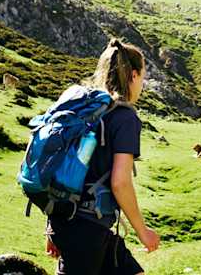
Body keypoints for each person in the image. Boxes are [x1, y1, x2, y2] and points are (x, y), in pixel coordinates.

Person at [45, 39, 160, 275]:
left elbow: (59, 170)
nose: (142, 85)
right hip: (86, 229)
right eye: (143, 77)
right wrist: (142, 231)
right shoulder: (125, 118)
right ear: (134, 75)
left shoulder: (85, 112)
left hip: (82, 224)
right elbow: (120, 182)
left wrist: (51, 227)